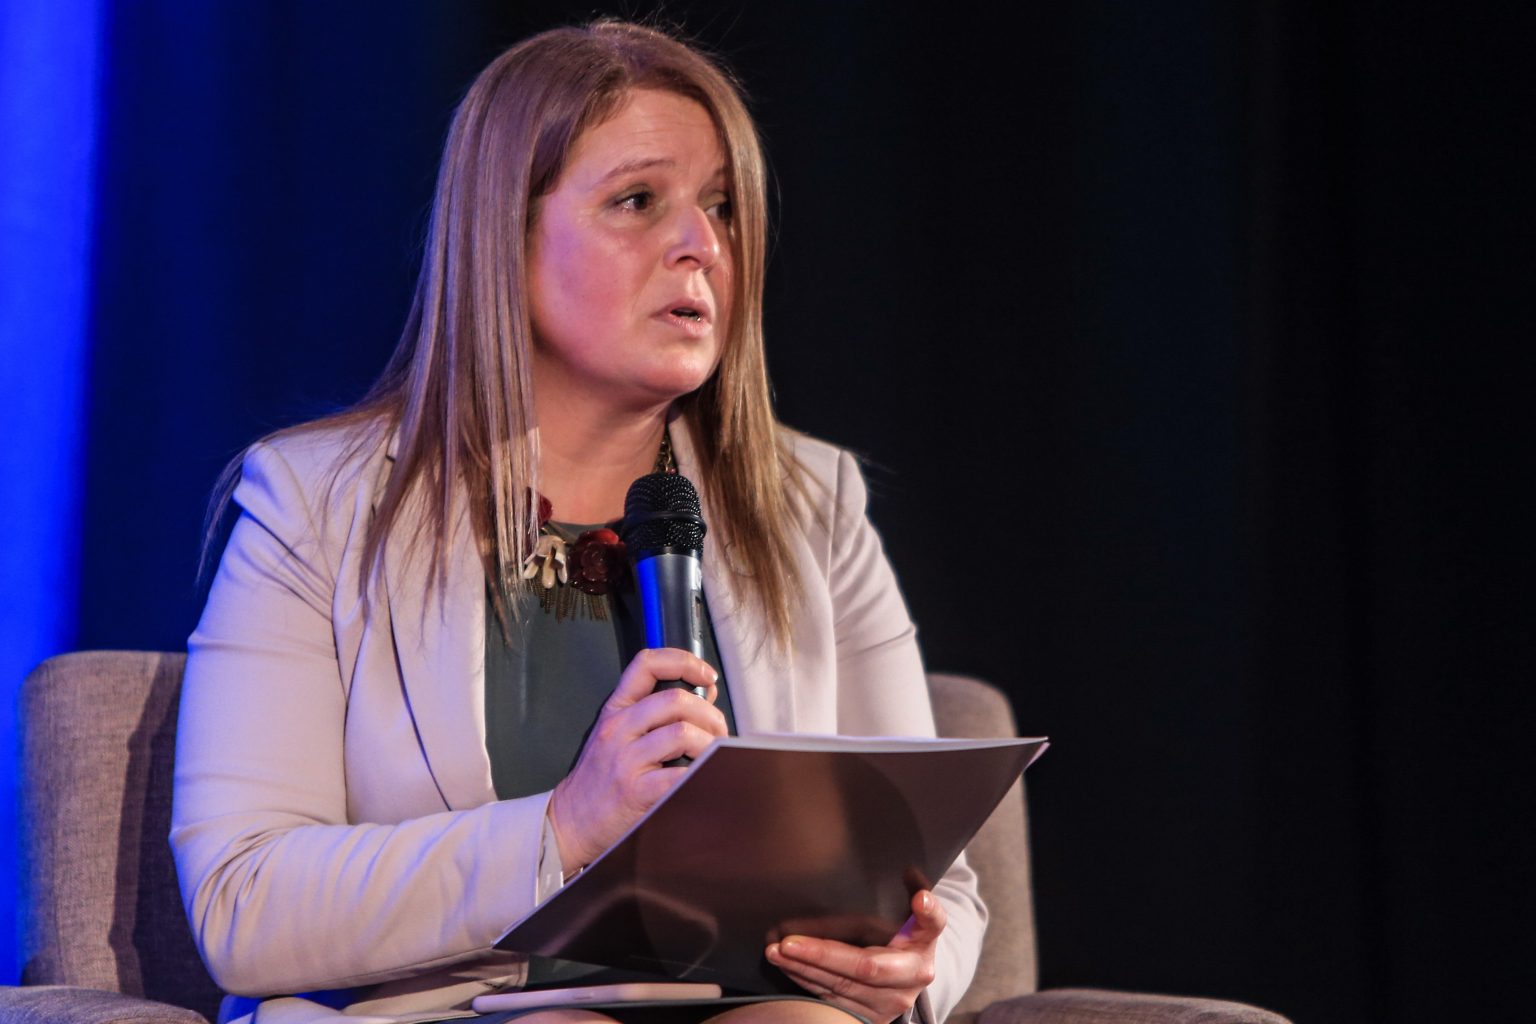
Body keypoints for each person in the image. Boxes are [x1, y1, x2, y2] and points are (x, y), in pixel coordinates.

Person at [172, 20, 984, 1024]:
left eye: (721, 206)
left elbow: (937, 878)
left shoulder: (813, 502)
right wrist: (563, 826)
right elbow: (242, 902)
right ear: (504, 240)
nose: (702, 246)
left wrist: (910, 961)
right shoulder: (317, 503)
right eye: (638, 201)